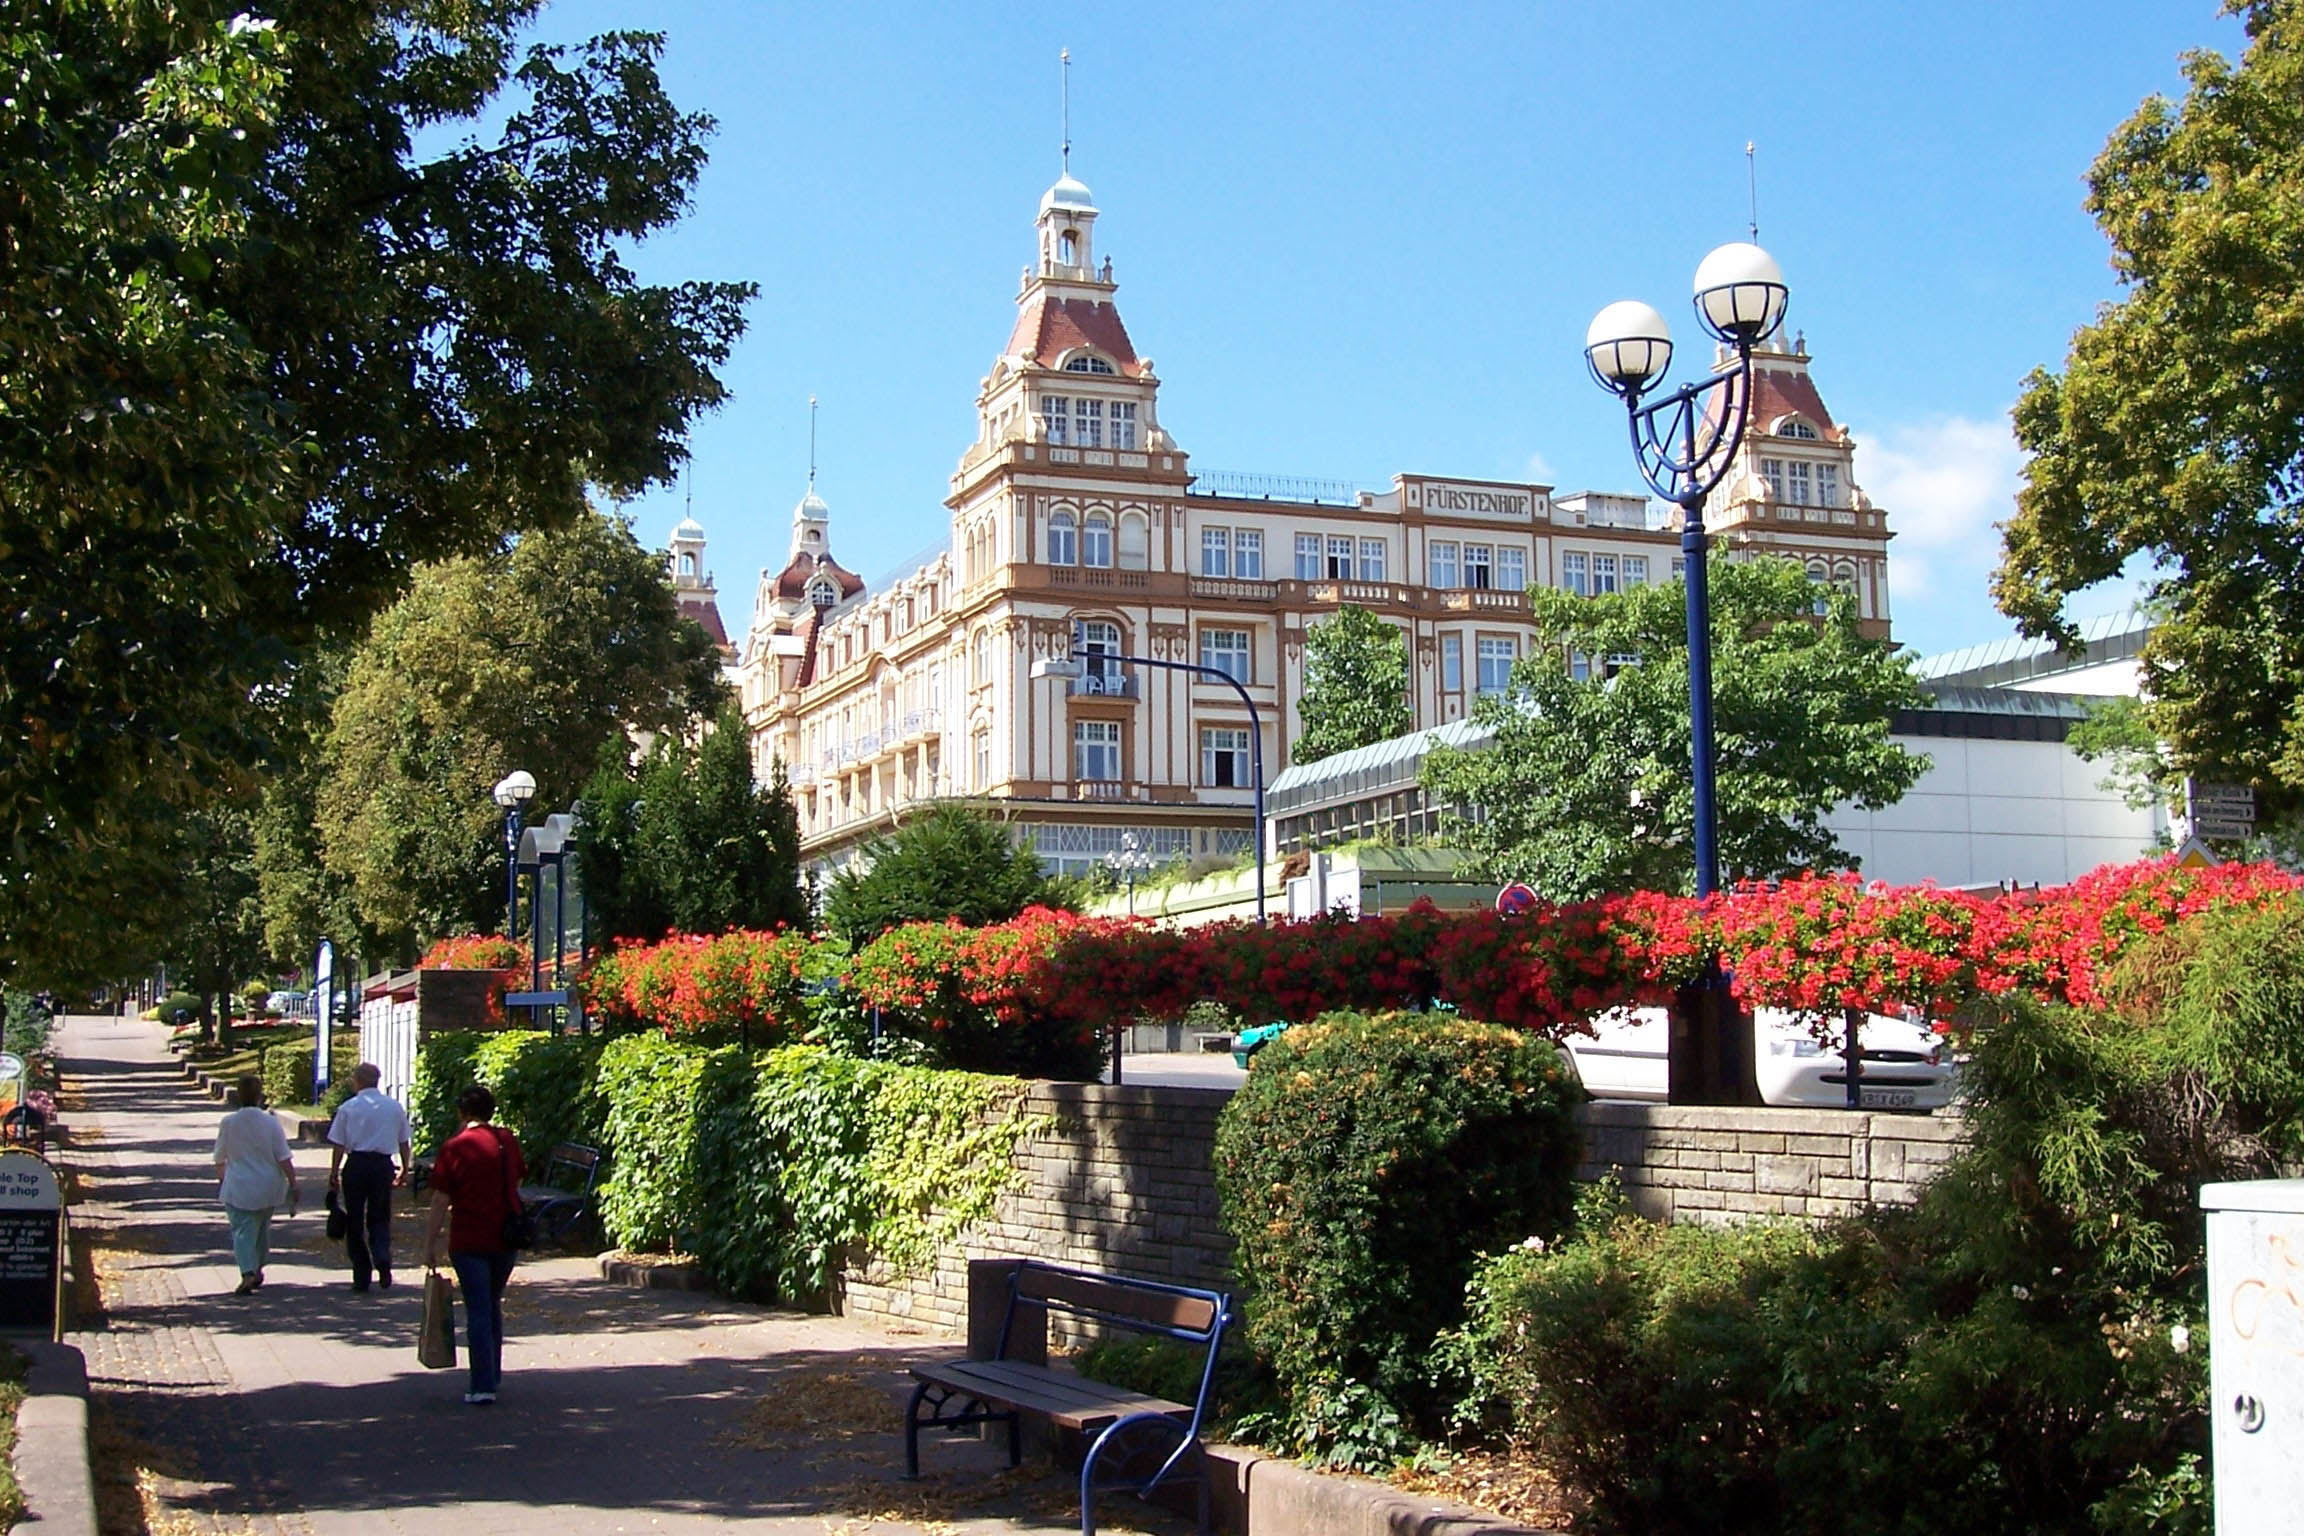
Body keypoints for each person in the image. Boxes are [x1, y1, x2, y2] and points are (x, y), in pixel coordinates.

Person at [423, 1085, 524, 1405]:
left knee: (478, 1308)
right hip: (506, 1236)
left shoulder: (455, 1147)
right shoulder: (506, 1141)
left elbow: (440, 1198)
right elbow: (517, 1180)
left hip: (469, 1237)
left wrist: (430, 1242)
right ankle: (492, 1373)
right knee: (492, 1303)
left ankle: (482, 1384)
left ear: (462, 1112)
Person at [326, 1062, 413, 1292]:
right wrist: (404, 1168)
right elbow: (404, 1141)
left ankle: (361, 1273)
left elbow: (338, 1143)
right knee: (380, 1215)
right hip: (382, 1165)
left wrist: (334, 1172)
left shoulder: (349, 1107)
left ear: (358, 1081)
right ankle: (382, 1255)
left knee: (355, 1219)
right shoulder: (393, 1107)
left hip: (356, 1164)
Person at [214, 1075, 298, 1295]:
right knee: (261, 1228)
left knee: (242, 1231)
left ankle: (248, 1271)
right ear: (260, 1095)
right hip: (268, 1185)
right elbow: (283, 1156)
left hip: (239, 1185)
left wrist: (223, 1179)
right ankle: (258, 1266)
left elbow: (219, 1157)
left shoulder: (229, 1122)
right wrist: (293, 1181)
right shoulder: (270, 1122)